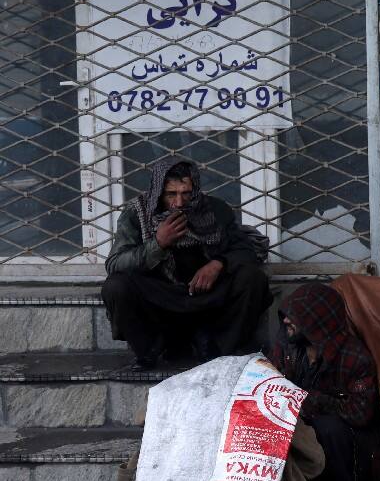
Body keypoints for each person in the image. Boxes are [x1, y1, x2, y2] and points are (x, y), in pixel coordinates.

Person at [102, 156, 271, 370]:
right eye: (171, 194)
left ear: (196, 189)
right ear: (158, 192)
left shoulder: (215, 210)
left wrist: (218, 264)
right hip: (160, 299)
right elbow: (115, 264)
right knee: (116, 286)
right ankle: (148, 350)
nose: (179, 203)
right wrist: (158, 243)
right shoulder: (136, 214)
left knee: (252, 278)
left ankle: (220, 349)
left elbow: (245, 251)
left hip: (208, 301)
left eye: (186, 193)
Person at [269, 283, 380, 481]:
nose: (285, 322)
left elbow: (361, 414)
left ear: (315, 322)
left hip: (347, 445)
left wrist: (311, 400)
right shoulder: (288, 347)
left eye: (294, 318)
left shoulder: (355, 358)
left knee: (327, 427)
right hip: (300, 423)